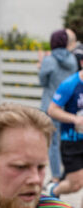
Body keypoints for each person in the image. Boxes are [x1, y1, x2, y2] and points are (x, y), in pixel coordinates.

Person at [39, 29, 78, 184]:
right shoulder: (72, 60)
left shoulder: (49, 60)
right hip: (67, 108)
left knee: (53, 143)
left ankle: (55, 177)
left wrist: (41, 64)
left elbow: (42, 81)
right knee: (64, 141)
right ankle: (66, 173)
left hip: (50, 105)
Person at [47, 56, 83, 208]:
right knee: (76, 184)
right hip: (72, 141)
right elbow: (52, 110)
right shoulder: (70, 84)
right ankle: (53, 190)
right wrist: (75, 119)